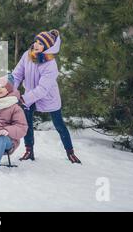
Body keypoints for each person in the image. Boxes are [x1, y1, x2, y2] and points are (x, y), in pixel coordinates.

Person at [12, 30, 82, 164]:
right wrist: (12, 89)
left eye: (41, 44)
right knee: (27, 123)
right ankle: (29, 151)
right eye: (36, 41)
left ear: (48, 47)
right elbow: (17, 75)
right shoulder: (27, 55)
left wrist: (24, 99)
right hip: (30, 95)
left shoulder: (50, 64)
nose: (36, 45)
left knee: (59, 125)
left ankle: (70, 152)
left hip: (48, 97)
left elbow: (43, 89)